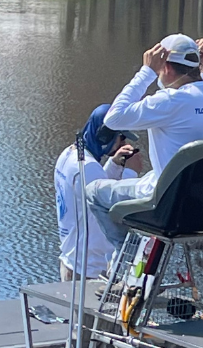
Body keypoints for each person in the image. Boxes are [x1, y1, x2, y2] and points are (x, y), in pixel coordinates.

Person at [87, 34, 203, 244]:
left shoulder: (170, 101)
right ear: (199, 65)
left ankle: (123, 259)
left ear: (166, 68)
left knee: (94, 192)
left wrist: (146, 72)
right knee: (152, 176)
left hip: (171, 207)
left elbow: (113, 118)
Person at [54, 104, 143, 281]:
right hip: (88, 270)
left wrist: (115, 164)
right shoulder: (88, 168)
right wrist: (132, 173)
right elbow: (111, 204)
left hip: (74, 262)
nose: (124, 144)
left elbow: (90, 192)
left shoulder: (69, 156)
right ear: (105, 136)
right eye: (121, 137)